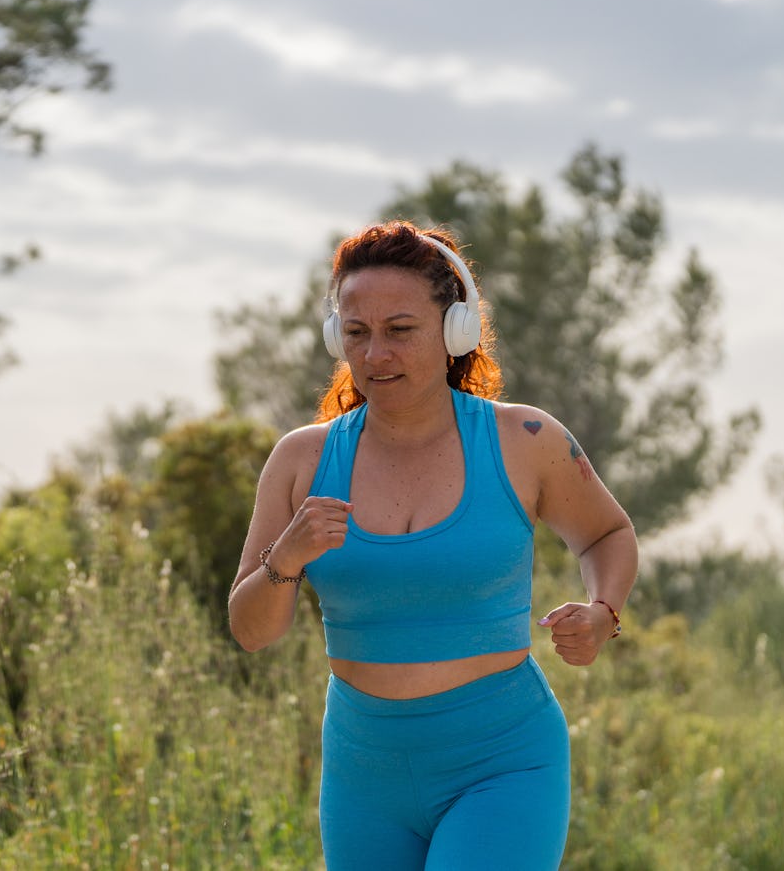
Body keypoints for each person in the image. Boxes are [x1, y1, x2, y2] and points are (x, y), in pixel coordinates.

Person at [228, 221, 638, 870]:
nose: (375, 355)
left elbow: (606, 533)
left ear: (455, 331)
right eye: (356, 334)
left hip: (503, 762)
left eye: (400, 330)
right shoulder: (302, 460)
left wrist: (602, 610)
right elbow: (250, 631)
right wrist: (286, 557)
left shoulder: (525, 439)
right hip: (364, 775)